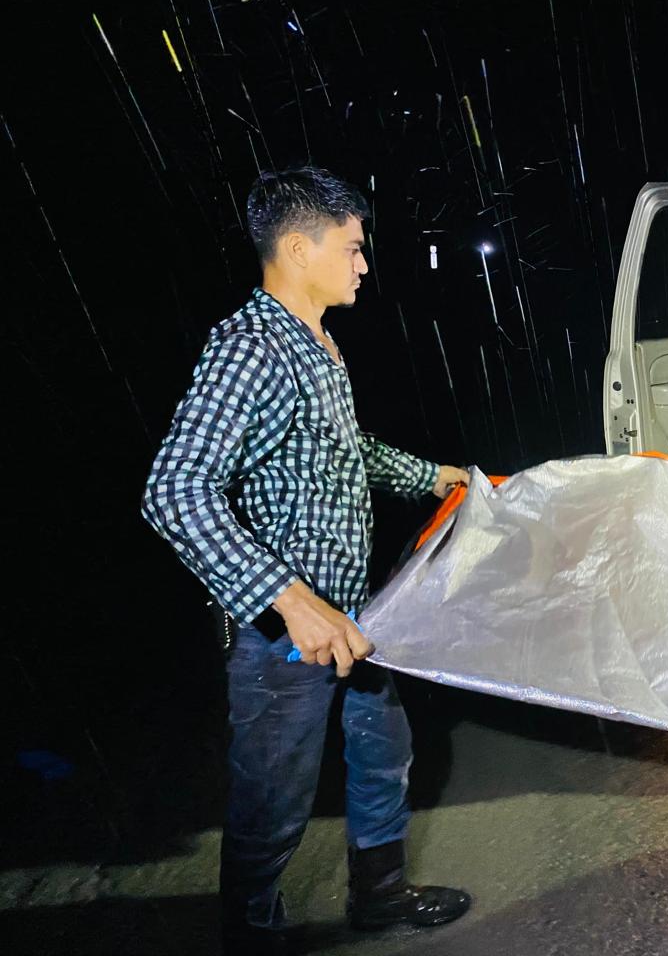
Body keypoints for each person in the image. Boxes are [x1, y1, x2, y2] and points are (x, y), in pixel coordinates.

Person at [142, 166, 472, 954]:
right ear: (298, 248)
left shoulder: (318, 345)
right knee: (273, 800)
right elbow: (173, 490)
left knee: (384, 754)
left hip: (355, 615)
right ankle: (251, 932)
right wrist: (291, 600)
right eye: (352, 248)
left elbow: (345, 451)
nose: (364, 265)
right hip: (283, 639)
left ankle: (380, 897)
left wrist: (432, 476)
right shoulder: (251, 349)